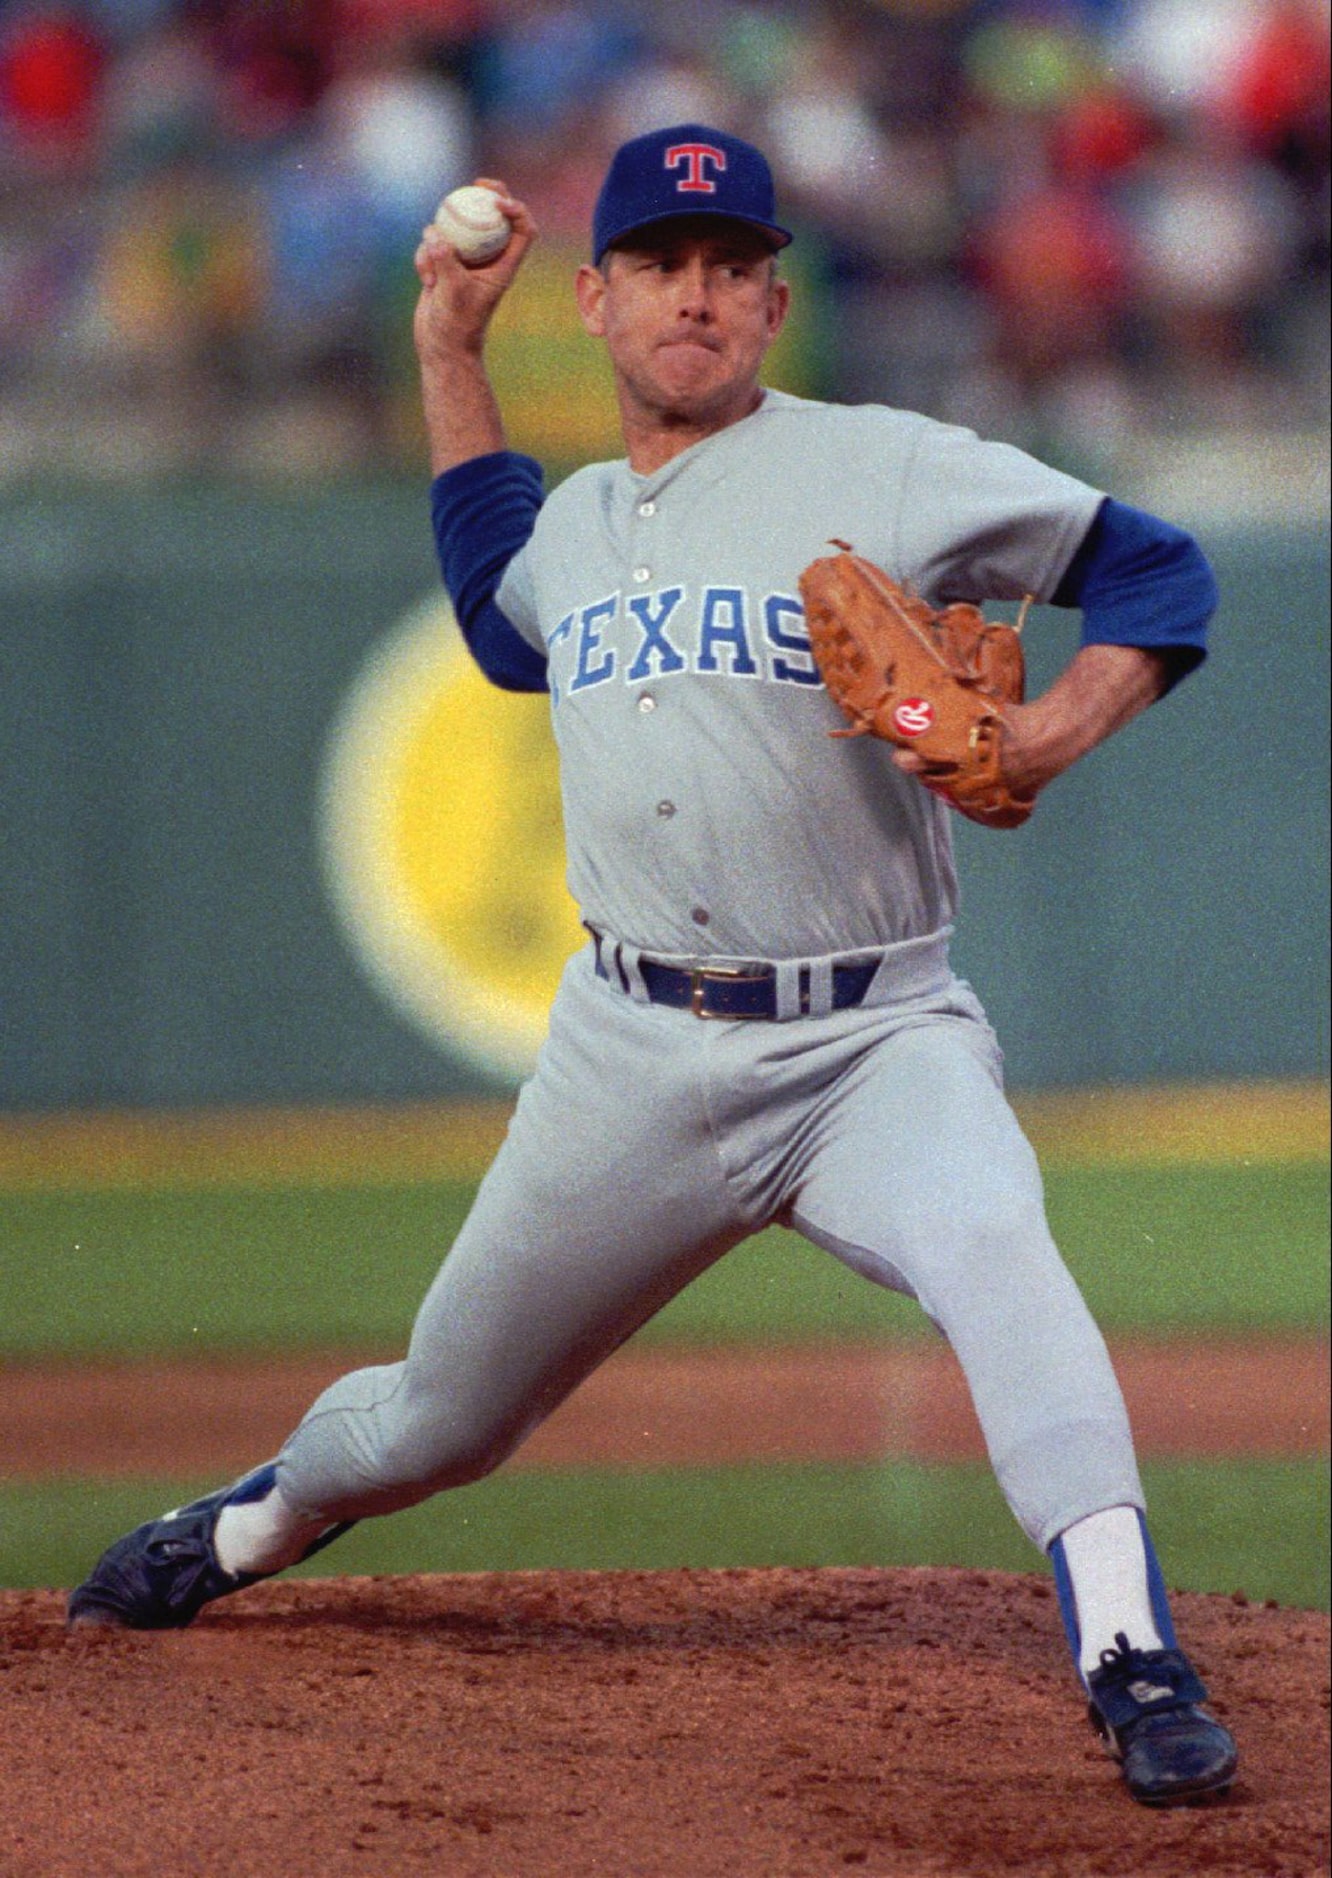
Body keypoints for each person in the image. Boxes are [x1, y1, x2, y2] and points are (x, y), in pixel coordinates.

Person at [69, 124, 1238, 1809]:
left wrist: (1053, 727)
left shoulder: (892, 464)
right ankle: (253, 1517)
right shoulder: (578, 525)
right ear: (600, 307)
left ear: (770, 306)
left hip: (873, 1040)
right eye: (658, 267)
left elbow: (1158, 569)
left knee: (997, 1244)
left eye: (726, 269)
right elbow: (490, 606)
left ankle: (1133, 1650)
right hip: (630, 1051)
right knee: (439, 1419)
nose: (694, 296)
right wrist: (447, 348)